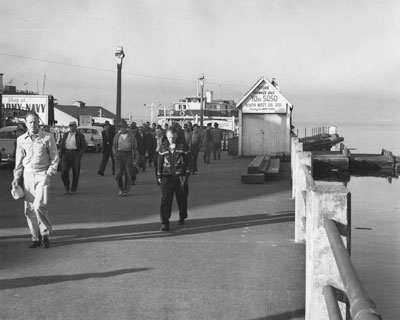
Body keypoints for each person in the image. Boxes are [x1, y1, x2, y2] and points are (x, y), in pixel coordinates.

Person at [12, 113, 59, 248]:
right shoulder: (21, 140)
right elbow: (19, 162)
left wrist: (49, 172)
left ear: (39, 123)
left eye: (35, 122)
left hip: (42, 174)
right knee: (29, 209)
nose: (33, 125)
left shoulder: (47, 138)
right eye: (30, 122)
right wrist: (16, 178)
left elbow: (54, 157)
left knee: (39, 206)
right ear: (26, 124)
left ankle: (44, 234)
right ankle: (35, 237)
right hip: (27, 176)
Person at [157, 127, 191, 231]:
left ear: (176, 135)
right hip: (166, 176)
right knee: (165, 199)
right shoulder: (163, 147)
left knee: (182, 198)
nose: (170, 139)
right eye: (168, 137)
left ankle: (182, 216)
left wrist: (187, 173)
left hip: (180, 176)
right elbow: (159, 162)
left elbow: (189, 160)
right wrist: (159, 175)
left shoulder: (183, 146)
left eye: (172, 137)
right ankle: (165, 222)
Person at [59, 121, 87, 194]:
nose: (71, 127)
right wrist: (60, 155)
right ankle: (66, 186)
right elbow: (62, 145)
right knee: (63, 172)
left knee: (76, 172)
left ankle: (73, 189)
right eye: (70, 126)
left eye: (73, 126)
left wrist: (79, 154)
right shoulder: (65, 135)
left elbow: (84, 146)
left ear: (76, 127)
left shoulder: (79, 135)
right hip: (66, 153)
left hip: (75, 154)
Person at [113, 120, 137, 196]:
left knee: (128, 173)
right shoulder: (117, 135)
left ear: (126, 127)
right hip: (119, 154)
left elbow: (135, 147)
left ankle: (126, 190)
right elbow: (114, 146)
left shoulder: (131, 136)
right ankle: (120, 188)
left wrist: (135, 158)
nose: (122, 128)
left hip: (128, 154)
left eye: (124, 127)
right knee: (118, 173)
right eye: (121, 127)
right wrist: (115, 154)